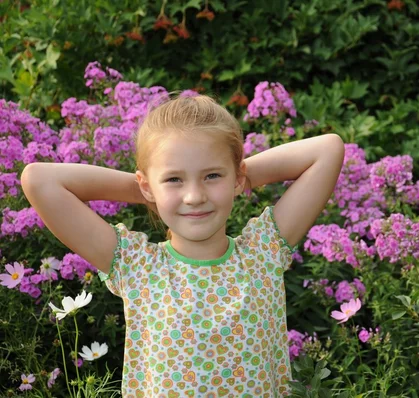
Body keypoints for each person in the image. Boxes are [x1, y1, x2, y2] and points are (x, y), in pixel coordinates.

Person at [21, 95, 345, 397]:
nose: (194, 196)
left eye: (212, 176)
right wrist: (150, 191)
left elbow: (328, 150)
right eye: (174, 179)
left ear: (236, 178)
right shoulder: (137, 267)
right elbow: (38, 180)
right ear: (147, 185)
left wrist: (235, 180)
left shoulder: (263, 252)